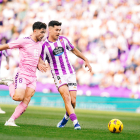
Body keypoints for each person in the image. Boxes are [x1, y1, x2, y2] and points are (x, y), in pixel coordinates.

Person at [38, 20, 92, 130]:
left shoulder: (64, 40)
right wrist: (40, 65)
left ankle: (65, 119)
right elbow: (40, 60)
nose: (58, 32)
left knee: (73, 101)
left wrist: (85, 59)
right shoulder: (44, 46)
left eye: (59, 30)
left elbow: (75, 50)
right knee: (66, 98)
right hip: (58, 75)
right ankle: (76, 123)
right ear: (50, 30)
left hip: (70, 73)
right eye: (56, 30)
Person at [0, 21, 47, 126]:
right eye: (41, 32)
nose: (43, 35)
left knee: (26, 101)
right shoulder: (24, 41)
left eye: (44, 32)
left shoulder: (40, 44)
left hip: (33, 77)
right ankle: (9, 83)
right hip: (22, 74)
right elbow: (7, 46)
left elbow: (38, 57)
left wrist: (40, 64)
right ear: (35, 31)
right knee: (18, 98)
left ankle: (10, 120)